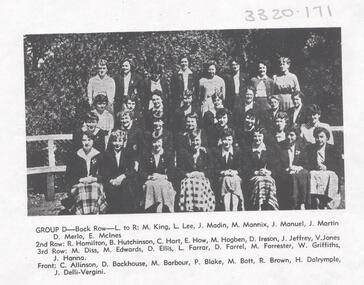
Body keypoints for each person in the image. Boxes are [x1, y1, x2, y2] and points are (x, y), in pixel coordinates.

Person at [65, 131, 107, 214]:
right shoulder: (75, 155)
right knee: (81, 190)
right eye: (84, 140)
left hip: (95, 182)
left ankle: (95, 214)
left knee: (95, 189)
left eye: (89, 140)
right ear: (81, 142)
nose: (87, 143)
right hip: (79, 183)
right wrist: (81, 179)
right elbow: (69, 175)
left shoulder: (99, 155)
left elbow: (105, 174)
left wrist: (94, 178)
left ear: (93, 141)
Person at [242, 128, 281, 210]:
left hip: (267, 176)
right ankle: (258, 206)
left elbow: (276, 166)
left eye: (259, 136)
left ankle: (270, 205)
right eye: (255, 136)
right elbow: (245, 167)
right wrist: (256, 172)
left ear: (263, 137)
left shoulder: (269, 150)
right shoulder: (248, 150)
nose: (257, 138)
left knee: (269, 181)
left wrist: (269, 172)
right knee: (260, 181)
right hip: (253, 177)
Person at [176, 130, 215, 212]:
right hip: (189, 179)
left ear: (201, 141)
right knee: (187, 183)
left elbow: (211, 169)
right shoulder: (185, 153)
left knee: (200, 183)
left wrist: (202, 173)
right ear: (190, 141)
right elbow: (179, 170)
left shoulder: (205, 153)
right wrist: (187, 174)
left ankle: (201, 207)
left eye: (197, 140)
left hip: (202, 179)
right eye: (193, 140)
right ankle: (189, 208)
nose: (195, 143)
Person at [101, 130, 138, 213]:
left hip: (125, 179)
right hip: (111, 181)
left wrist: (123, 177)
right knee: (112, 194)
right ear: (111, 142)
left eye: (120, 141)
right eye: (114, 141)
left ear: (123, 142)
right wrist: (111, 180)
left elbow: (132, 169)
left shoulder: (128, 152)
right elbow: (103, 170)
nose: (117, 144)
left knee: (126, 188)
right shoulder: (107, 154)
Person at [306, 127, 343, 209]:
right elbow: (307, 163)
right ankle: (316, 200)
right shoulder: (311, 148)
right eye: (317, 137)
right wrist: (316, 166)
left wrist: (326, 167)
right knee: (312, 174)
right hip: (316, 171)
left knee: (331, 175)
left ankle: (327, 202)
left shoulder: (333, 149)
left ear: (327, 138)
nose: (319, 139)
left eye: (322, 137)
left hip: (329, 171)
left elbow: (338, 165)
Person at [139, 135, 176, 213]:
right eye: (154, 142)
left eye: (159, 142)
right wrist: (149, 176)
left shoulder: (168, 154)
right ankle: (150, 209)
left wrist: (162, 176)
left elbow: (172, 171)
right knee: (149, 185)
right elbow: (141, 171)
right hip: (151, 180)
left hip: (164, 180)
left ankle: (165, 208)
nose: (156, 144)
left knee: (164, 185)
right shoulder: (146, 155)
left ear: (162, 142)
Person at [211, 128, 244, 211]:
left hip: (235, 177)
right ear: (221, 140)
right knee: (226, 179)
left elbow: (242, 168)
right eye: (224, 139)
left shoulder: (237, 151)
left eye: (229, 139)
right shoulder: (216, 152)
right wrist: (223, 172)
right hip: (221, 178)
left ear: (232, 140)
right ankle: (227, 209)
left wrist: (235, 172)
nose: (227, 142)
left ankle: (234, 208)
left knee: (233, 179)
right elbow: (214, 168)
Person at [278, 127, 310, 210]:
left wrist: (299, 167)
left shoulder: (301, 147)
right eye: (287, 135)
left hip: (297, 171)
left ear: (296, 136)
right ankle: (294, 203)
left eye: (292, 135)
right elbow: (277, 163)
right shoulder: (281, 146)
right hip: (285, 172)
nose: (289, 137)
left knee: (304, 173)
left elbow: (306, 163)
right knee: (293, 176)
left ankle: (302, 203)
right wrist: (287, 168)